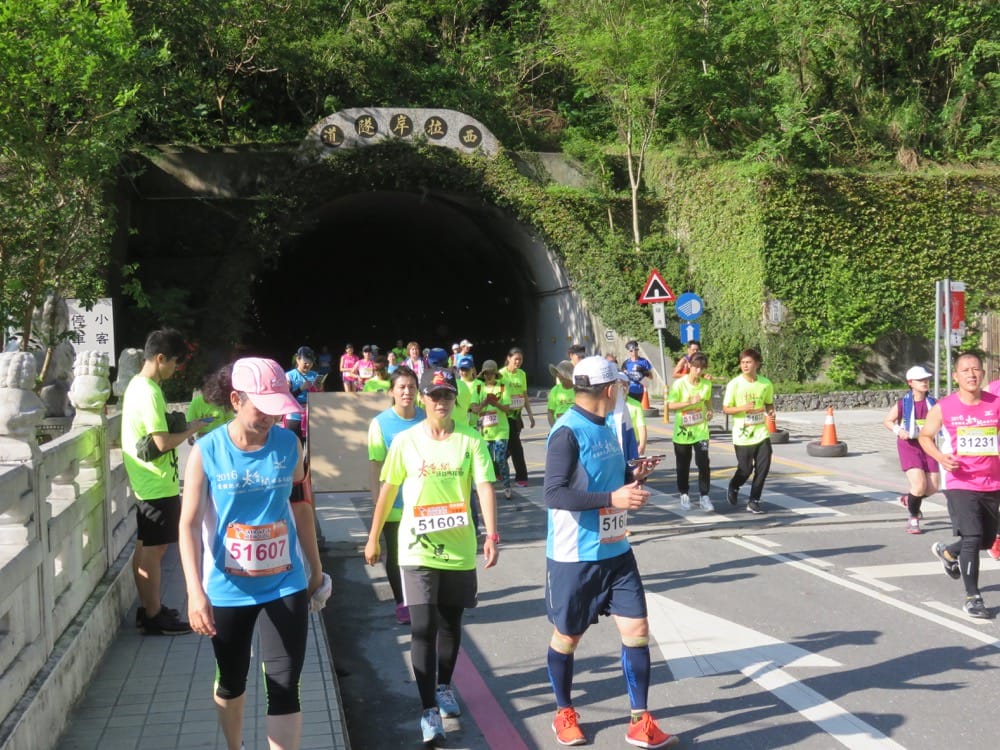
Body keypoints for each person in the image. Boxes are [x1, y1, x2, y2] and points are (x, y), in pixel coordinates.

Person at [178, 357, 325, 750]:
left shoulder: (289, 444)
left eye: (278, 410)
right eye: (263, 409)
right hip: (227, 588)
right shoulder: (206, 452)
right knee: (232, 680)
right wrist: (195, 593)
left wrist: (316, 570)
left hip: (284, 581)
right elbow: (189, 525)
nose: (271, 419)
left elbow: (301, 506)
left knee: (284, 685)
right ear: (236, 399)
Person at [543, 356, 678, 748]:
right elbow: (553, 493)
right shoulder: (566, 432)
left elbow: (611, 479)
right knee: (567, 637)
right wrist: (612, 496)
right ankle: (563, 711)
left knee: (637, 630)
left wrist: (632, 477)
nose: (622, 389)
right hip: (575, 557)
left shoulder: (608, 426)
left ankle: (640, 719)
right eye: (619, 385)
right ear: (608, 390)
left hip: (616, 550)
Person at [363, 366, 499, 746]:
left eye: (447, 395)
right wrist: (374, 537)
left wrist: (491, 533)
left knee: (451, 623)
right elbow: (388, 491)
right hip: (415, 547)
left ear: (455, 399)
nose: (440, 402)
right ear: (423, 399)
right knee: (422, 628)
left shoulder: (471, 439)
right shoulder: (405, 441)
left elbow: (484, 486)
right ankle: (427, 712)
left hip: (458, 548)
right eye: (434, 395)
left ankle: (444, 687)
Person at [121, 328, 206, 635]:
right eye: (174, 363)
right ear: (160, 358)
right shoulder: (150, 392)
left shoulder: (137, 385)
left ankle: (149, 608)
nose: (175, 369)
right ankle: (154, 615)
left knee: (147, 546)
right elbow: (161, 443)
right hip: (156, 483)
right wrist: (193, 428)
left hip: (149, 481)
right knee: (155, 550)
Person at [919, 352, 1000, 619]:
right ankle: (972, 597)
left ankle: (948, 552)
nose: (971, 374)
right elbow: (925, 436)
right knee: (974, 536)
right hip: (959, 481)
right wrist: (941, 457)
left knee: (985, 539)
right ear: (956, 376)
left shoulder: (995, 404)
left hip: (992, 481)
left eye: (976, 369)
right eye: (965, 370)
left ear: (983, 374)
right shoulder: (944, 407)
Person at [368, 367, 425, 624]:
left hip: (424, 502)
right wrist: (376, 503)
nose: (407, 392)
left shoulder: (427, 418)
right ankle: (401, 601)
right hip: (394, 502)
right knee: (397, 554)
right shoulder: (380, 424)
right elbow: (375, 468)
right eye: (401, 387)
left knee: (423, 553)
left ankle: (421, 600)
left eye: (411, 387)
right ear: (391, 391)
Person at [882, 365, 939, 534]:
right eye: (920, 380)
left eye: (926, 379)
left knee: (933, 487)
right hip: (909, 446)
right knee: (920, 485)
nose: (925, 382)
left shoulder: (934, 403)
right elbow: (888, 421)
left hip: (928, 445)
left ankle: (910, 499)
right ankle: (914, 517)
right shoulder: (903, 403)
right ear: (910, 383)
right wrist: (899, 431)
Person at [722, 348, 775, 514]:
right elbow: (726, 409)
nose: (745, 365)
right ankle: (735, 485)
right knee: (745, 469)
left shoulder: (766, 383)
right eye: (743, 362)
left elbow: (768, 403)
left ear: (757, 364)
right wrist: (743, 408)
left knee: (763, 467)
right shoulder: (734, 384)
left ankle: (754, 500)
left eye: (749, 362)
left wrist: (771, 411)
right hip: (742, 434)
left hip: (761, 433)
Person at [667, 352, 714, 512]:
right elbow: (670, 406)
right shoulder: (679, 384)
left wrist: (709, 411)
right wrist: (689, 402)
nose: (698, 371)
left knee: (703, 463)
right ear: (689, 366)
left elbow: (708, 402)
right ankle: (684, 494)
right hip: (682, 432)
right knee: (683, 465)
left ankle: (704, 496)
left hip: (701, 430)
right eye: (695, 367)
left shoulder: (706, 384)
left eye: (701, 368)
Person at [499, 347, 536, 487]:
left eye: (520, 360)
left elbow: (524, 395)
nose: (518, 362)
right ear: (509, 358)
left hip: (517, 415)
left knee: (509, 446)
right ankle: (522, 477)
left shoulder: (521, 374)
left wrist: (531, 415)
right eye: (516, 359)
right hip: (504, 414)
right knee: (516, 447)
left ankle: (496, 468)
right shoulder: (501, 374)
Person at [480, 359, 514, 499]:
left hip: (501, 429)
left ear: (496, 374)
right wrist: (484, 403)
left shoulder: (503, 387)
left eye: (492, 374)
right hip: (486, 430)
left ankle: (507, 486)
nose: (489, 376)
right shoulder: (479, 388)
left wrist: (495, 403)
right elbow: (475, 409)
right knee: (488, 460)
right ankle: (489, 488)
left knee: (500, 458)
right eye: (486, 374)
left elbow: (507, 408)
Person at [185, 365, 235, 445]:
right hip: (203, 441)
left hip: (220, 440)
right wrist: (189, 436)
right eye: (207, 391)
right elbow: (189, 422)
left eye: (211, 390)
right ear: (201, 390)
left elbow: (231, 423)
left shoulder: (221, 402)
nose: (210, 394)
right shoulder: (195, 403)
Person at [285, 346, 319, 443]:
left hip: (313, 418)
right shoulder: (289, 376)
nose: (308, 365)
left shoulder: (315, 375)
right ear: (298, 359)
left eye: (310, 362)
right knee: (295, 447)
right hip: (294, 417)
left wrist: (319, 389)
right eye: (305, 362)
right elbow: (286, 398)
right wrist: (300, 389)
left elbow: (320, 399)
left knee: (312, 450)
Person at [457, 355, 483, 428]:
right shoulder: (456, 384)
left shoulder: (479, 384)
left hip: (477, 420)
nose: (464, 372)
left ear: (472, 369)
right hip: (461, 421)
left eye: (467, 369)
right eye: (462, 370)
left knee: (479, 438)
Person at [547, 360, 575, 427]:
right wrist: (553, 428)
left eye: (560, 373)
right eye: (557, 372)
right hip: (559, 427)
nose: (558, 375)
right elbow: (550, 412)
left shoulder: (579, 390)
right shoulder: (555, 390)